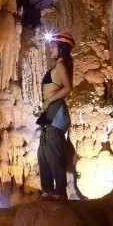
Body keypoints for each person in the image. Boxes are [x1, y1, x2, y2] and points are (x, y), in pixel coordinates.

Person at [36, 31, 75, 200]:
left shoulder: (61, 65)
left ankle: (60, 191)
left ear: (62, 48)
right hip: (49, 109)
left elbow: (68, 88)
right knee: (42, 151)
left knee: (52, 151)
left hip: (56, 109)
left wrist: (49, 100)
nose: (50, 48)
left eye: (53, 45)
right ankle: (47, 190)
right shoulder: (59, 65)